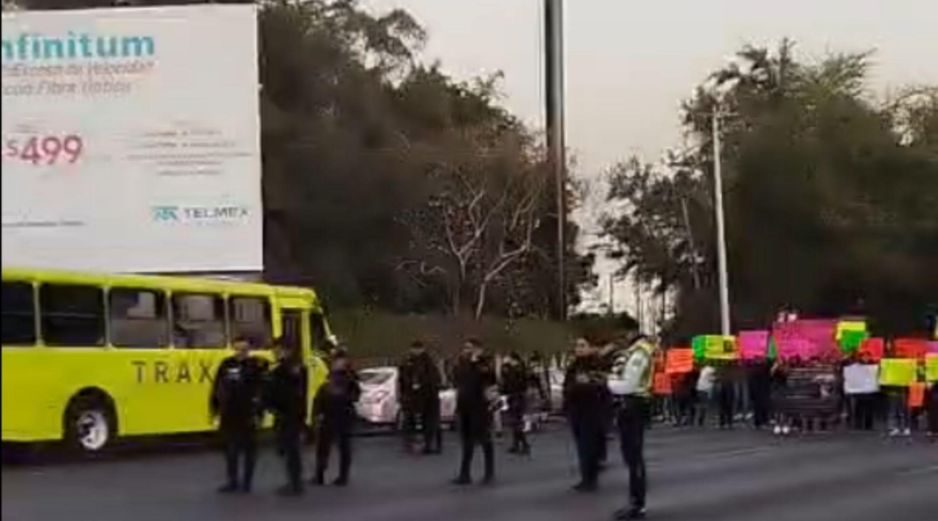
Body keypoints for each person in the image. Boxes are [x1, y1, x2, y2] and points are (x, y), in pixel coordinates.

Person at [210, 336, 268, 494]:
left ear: (248, 350)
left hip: (249, 413)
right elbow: (217, 386)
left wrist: (260, 412)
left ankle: (247, 482)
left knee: (250, 450)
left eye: (244, 349)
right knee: (231, 450)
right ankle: (232, 481)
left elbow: (262, 389)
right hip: (229, 413)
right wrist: (214, 409)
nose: (240, 352)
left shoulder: (256, 365)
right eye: (238, 349)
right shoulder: (226, 364)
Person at [608, 333, 654, 520]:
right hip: (632, 406)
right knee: (631, 456)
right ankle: (635, 501)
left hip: (634, 405)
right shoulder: (633, 353)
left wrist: (607, 384)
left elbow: (628, 384)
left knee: (634, 457)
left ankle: (637, 504)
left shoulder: (639, 353)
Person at [563, 337, 609, 492]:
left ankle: (591, 479)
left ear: (589, 347)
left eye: (583, 345)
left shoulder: (595, 364)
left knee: (589, 446)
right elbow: (567, 387)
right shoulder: (573, 366)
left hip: (592, 411)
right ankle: (586, 478)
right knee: (581, 446)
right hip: (576, 411)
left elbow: (603, 386)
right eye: (577, 346)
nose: (579, 348)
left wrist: (586, 384)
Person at [452, 338, 497, 485]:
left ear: (478, 349)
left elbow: (490, 379)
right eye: (465, 348)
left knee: (484, 439)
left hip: (480, 407)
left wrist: (477, 361)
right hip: (464, 405)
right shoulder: (462, 364)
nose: (466, 350)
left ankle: (489, 472)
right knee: (466, 441)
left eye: (469, 348)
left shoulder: (485, 363)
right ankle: (465, 474)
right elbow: (457, 378)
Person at [266, 339, 309, 496]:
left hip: (291, 415)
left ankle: (295, 483)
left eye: (278, 351)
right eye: (274, 351)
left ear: (288, 350)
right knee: (287, 449)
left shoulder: (293, 368)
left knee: (292, 450)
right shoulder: (282, 369)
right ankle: (293, 481)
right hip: (285, 414)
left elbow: (290, 392)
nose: (275, 354)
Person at [312, 351, 361, 486]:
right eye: (335, 361)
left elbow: (355, 396)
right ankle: (319, 474)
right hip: (329, 415)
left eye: (339, 361)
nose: (336, 364)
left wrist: (342, 395)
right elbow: (320, 396)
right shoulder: (329, 379)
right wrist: (317, 412)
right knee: (323, 446)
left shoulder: (350, 379)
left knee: (344, 446)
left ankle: (343, 476)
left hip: (343, 415)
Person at [398, 340, 443, 454]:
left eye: (418, 349)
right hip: (411, 397)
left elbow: (435, 379)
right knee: (409, 421)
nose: (416, 351)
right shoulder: (407, 362)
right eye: (414, 349)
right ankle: (409, 444)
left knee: (431, 422)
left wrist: (422, 384)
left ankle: (431, 444)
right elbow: (402, 379)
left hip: (428, 397)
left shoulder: (429, 362)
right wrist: (405, 391)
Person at [501, 352, 531, 455]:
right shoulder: (511, 369)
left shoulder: (518, 370)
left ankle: (525, 445)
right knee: (514, 423)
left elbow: (517, 384)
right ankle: (516, 444)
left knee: (516, 422)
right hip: (513, 397)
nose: (506, 359)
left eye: (507, 357)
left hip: (517, 397)